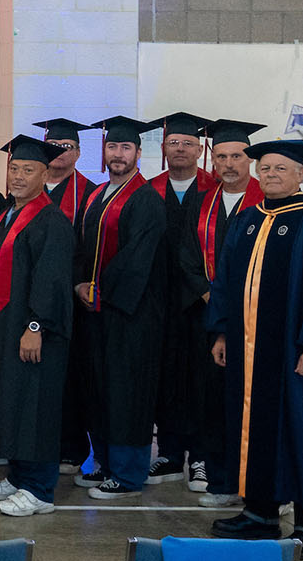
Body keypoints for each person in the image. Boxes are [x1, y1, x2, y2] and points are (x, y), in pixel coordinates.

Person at [206, 138, 303, 559]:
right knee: (251, 428)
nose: (271, 175)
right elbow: (225, 281)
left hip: (300, 354)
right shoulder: (249, 221)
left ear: (301, 174)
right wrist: (222, 332)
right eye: (266, 168)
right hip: (250, 353)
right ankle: (259, 512)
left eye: (280, 168)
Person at [0, 135, 77, 517]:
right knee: (14, 401)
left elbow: (51, 280)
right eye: (14, 168)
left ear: (45, 173)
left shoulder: (50, 220)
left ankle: (39, 489)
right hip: (6, 325)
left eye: (28, 170)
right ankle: (19, 476)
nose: (18, 176)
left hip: (34, 332)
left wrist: (36, 325)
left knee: (35, 406)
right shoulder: (10, 213)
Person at [67, 116, 167, 500]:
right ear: (104, 152)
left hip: (131, 315)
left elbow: (137, 259)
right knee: (100, 389)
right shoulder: (97, 195)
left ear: (139, 154)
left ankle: (127, 475)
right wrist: (79, 284)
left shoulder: (145, 200)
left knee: (128, 392)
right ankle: (105, 464)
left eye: (126, 148)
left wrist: (102, 290)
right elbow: (79, 247)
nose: (118, 155)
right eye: (112, 147)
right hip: (98, 312)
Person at [170, 118, 266, 508]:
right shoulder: (202, 199)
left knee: (251, 400)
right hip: (206, 315)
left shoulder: (266, 202)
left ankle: (258, 479)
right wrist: (207, 294)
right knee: (207, 394)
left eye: (237, 156)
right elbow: (185, 253)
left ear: (250, 160)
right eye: (222, 156)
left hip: (254, 319)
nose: (229, 164)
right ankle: (215, 471)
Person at [149, 111, 218, 487]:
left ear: (199, 149)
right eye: (173, 142)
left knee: (202, 381)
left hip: (203, 303)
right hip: (161, 303)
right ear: (163, 148)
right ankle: (171, 455)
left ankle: (202, 457)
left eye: (188, 143)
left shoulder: (214, 190)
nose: (180, 148)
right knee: (167, 380)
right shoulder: (150, 189)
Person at [36, 118, 94, 220]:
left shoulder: (90, 193)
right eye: (53, 144)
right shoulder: (29, 186)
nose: (59, 150)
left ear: (78, 153)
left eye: (67, 146)